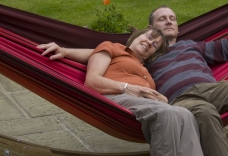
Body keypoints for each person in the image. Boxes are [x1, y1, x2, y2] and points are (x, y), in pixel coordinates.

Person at [38, 6, 228, 156]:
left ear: (177, 28)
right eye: (161, 19)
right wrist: (66, 50)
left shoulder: (193, 46)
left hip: (212, 89)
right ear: (150, 28)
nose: (169, 21)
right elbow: (100, 52)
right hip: (180, 100)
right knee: (204, 113)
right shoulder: (143, 55)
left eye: (173, 18)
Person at [39, 29, 204, 156]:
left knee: (185, 114)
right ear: (136, 36)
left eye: (155, 45)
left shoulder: (147, 73)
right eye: (148, 36)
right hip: (116, 98)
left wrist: (162, 99)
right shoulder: (113, 48)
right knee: (167, 113)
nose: (149, 42)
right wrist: (126, 87)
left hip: (146, 106)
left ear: (154, 54)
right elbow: (92, 81)